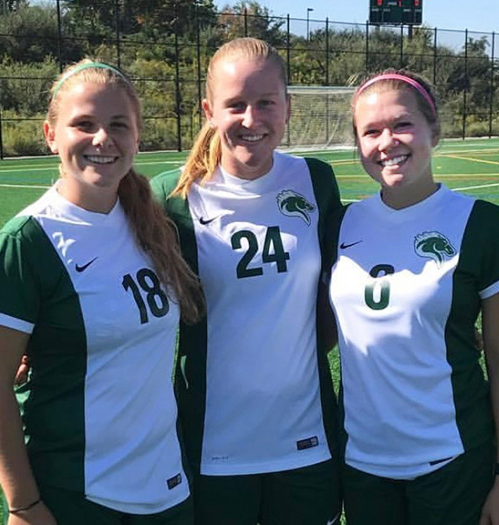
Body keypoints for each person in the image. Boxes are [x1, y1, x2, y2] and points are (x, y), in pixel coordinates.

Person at [0, 59, 202, 525]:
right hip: (75, 494)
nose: (102, 139)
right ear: (51, 135)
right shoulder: (27, 243)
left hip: (166, 487)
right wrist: (23, 504)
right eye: (84, 124)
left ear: (137, 136)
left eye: (118, 125)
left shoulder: (155, 225)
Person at [150, 38, 342, 525]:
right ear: (209, 111)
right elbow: (111, 272)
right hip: (212, 442)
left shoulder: (316, 181)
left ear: (288, 107)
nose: (251, 119)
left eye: (266, 103)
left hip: (307, 437)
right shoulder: (173, 197)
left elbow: (353, 270)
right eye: (235, 104)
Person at [325, 70, 499, 525]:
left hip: (453, 462)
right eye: (371, 131)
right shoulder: (338, 225)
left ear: (434, 131)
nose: (387, 142)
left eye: (402, 124)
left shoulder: (483, 223)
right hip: (360, 463)